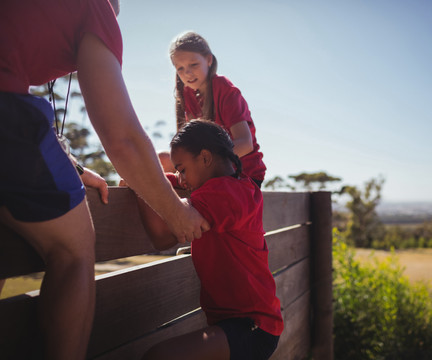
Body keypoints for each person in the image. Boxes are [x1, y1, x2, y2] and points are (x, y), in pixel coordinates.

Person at [0, 1, 209, 359]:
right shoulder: (96, 8)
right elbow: (122, 139)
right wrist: (176, 213)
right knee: (74, 249)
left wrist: (75, 169)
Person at [140, 120, 283, 360]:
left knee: (159, 356)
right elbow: (173, 184)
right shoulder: (237, 187)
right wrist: (169, 179)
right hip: (244, 321)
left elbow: (162, 237)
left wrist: (140, 186)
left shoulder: (225, 194)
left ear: (205, 158)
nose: (181, 179)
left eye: (182, 169)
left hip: (252, 325)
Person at [170, 31, 267, 188]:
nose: (187, 73)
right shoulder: (187, 93)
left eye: (193, 65)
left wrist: (206, 163)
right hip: (206, 170)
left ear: (208, 60)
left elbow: (245, 143)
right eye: (180, 68)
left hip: (243, 174)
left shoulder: (225, 89)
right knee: (161, 158)